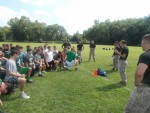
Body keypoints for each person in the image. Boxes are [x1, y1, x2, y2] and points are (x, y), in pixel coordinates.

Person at [125, 34, 150, 113]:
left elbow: (139, 73)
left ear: (143, 42)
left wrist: (137, 83)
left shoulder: (145, 55)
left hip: (145, 89)